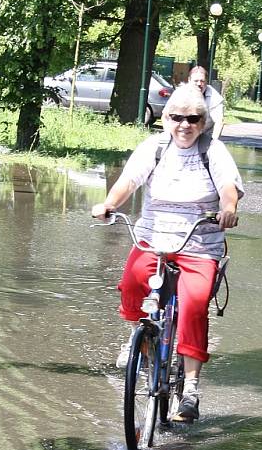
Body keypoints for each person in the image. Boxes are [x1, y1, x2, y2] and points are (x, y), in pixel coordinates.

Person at [92, 84, 243, 422]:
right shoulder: (155, 147)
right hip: (153, 238)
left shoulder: (213, 151)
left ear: (203, 123)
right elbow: (128, 181)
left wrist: (228, 209)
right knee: (132, 281)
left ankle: (190, 388)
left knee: (194, 303)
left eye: (193, 119)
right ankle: (139, 340)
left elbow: (228, 189)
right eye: (177, 118)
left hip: (199, 242)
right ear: (165, 119)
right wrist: (108, 205)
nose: (184, 125)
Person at [184, 66, 225, 139]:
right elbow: (166, 115)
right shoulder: (180, 93)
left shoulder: (215, 97)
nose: (199, 84)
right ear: (189, 80)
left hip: (204, 136)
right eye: (196, 81)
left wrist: (213, 142)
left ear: (206, 82)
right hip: (183, 133)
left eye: (202, 81)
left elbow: (219, 122)